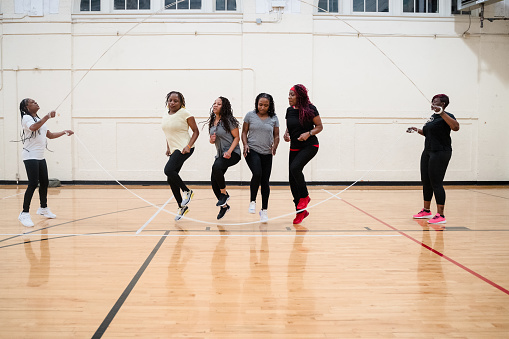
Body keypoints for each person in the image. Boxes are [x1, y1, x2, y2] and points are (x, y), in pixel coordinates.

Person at [18, 98, 74, 227]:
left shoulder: (39, 120)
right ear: (26, 107)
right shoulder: (26, 118)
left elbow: (50, 135)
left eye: (36, 101)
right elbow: (33, 128)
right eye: (32, 102)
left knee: (44, 182)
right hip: (30, 155)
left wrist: (64, 132)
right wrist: (47, 116)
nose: (36, 103)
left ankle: (43, 208)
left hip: (40, 156)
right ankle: (24, 213)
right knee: (32, 184)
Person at [408, 94, 459, 224]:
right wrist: (417, 130)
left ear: (442, 104)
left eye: (435, 101)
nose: (432, 103)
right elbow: (427, 133)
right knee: (426, 181)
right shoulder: (432, 118)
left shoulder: (447, 116)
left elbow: (455, 127)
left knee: (436, 183)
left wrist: (442, 113)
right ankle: (426, 211)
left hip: (441, 152)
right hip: (428, 151)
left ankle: (441, 215)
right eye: (432, 101)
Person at [283, 84, 323, 224]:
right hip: (294, 147)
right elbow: (289, 128)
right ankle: (301, 212)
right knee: (292, 179)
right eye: (289, 94)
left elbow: (319, 127)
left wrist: (308, 133)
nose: (289, 97)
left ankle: (305, 197)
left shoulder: (310, 109)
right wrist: (286, 134)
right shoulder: (289, 111)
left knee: (295, 168)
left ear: (300, 96)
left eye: (292, 95)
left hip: (310, 145)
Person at [242, 93, 280, 223]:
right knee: (257, 173)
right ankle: (252, 201)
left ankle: (264, 210)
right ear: (256, 104)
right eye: (260, 104)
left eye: (265, 105)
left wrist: (275, 145)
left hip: (267, 153)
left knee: (265, 181)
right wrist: (245, 144)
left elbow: (276, 135)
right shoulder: (250, 116)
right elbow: (243, 132)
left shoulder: (274, 118)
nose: (262, 107)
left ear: (270, 106)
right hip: (252, 150)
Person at [162, 91, 199, 221]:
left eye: (175, 101)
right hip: (174, 149)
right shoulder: (166, 115)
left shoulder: (185, 113)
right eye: (170, 100)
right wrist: (168, 147)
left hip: (184, 148)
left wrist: (188, 146)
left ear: (181, 103)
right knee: (170, 178)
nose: (172, 103)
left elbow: (196, 131)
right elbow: (169, 133)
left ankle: (187, 191)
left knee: (168, 170)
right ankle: (181, 207)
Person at [207, 97, 241, 220]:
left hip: (233, 153)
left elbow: (237, 138)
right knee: (214, 181)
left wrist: (230, 151)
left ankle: (224, 194)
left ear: (224, 106)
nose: (215, 105)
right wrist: (211, 140)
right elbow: (212, 139)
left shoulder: (229, 120)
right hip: (221, 155)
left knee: (216, 166)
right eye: (214, 103)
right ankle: (224, 206)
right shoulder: (213, 121)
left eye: (219, 104)